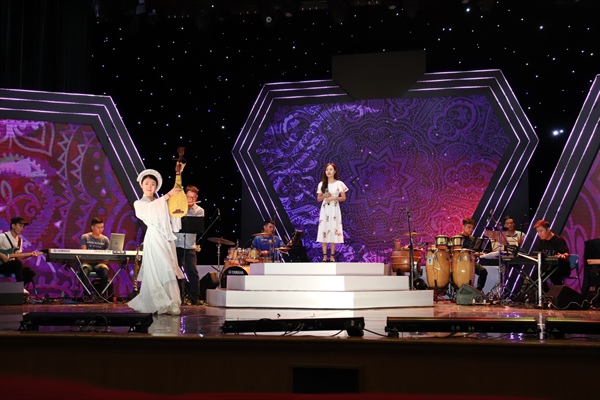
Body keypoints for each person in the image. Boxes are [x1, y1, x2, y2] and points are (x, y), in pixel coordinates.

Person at [127, 166, 184, 315]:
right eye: (146, 183)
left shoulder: (162, 202)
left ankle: (172, 302)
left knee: (169, 267)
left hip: (166, 238)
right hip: (154, 238)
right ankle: (163, 303)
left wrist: (178, 174)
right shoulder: (140, 203)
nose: (149, 186)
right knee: (162, 267)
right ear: (141, 185)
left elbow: (173, 213)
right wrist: (167, 196)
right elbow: (151, 209)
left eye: (153, 184)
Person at [174, 185, 204, 305]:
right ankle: (179, 298)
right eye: (188, 197)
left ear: (196, 198)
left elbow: (196, 227)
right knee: (176, 272)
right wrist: (183, 208)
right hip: (176, 244)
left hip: (189, 246)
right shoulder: (176, 207)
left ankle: (194, 297)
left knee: (192, 271)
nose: (190, 199)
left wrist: (187, 210)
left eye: (193, 197)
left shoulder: (199, 211)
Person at [316, 162, 348, 262]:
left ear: (334, 171)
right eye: (327, 170)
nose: (328, 172)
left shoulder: (339, 183)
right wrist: (324, 196)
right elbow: (318, 199)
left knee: (334, 229)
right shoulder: (322, 184)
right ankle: (325, 256)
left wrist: (334, 198)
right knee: (324, 230)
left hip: (334, 209)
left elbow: (343, 198)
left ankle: (332, 256)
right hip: (325, 209)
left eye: (330, 169)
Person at [0, 217, 38, 294]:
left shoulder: (20, 240)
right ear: (13, 226)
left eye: (23, 227)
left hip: (11, 265)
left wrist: (29, 255)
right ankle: (20, 288)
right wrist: (1, 255)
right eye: (20, 226)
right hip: (1, 265)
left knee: (31, 272)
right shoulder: (2, 236)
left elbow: (18, 257)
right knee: (17, 263)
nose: (22, 228)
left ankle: (16, 289)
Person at [531, 219, 570, 286]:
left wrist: (562, 255)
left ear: (548, 229)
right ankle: (545, 292)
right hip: (547, 267)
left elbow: (566, 254)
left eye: (541, 231)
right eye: (538, 232)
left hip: (560, 267)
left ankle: (558, 291)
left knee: (553, 275)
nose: (539, 234)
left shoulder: (558, 240)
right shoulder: (542, 242)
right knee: (535, 275)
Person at [79, 217, 110, 296]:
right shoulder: (85, 237)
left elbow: (107, 256)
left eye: (102, 227)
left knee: (105, 271)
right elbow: (84, 253)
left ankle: (101, 294)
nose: (101, 229)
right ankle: (89, 294)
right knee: (84, 270)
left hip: (99, 263)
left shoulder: (105, 239)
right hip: (88, 263)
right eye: (98, 228)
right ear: (92, 227)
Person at [457, 218, 488, 292]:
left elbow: (472, 252)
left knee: (483, 271)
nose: (471, 229)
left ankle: (478, 290)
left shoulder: (472, 239)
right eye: (469, 227)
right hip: (459, 263)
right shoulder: (457, 238)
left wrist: (479, 254)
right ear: (463, 227)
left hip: (470, 262)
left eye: (472, 228)